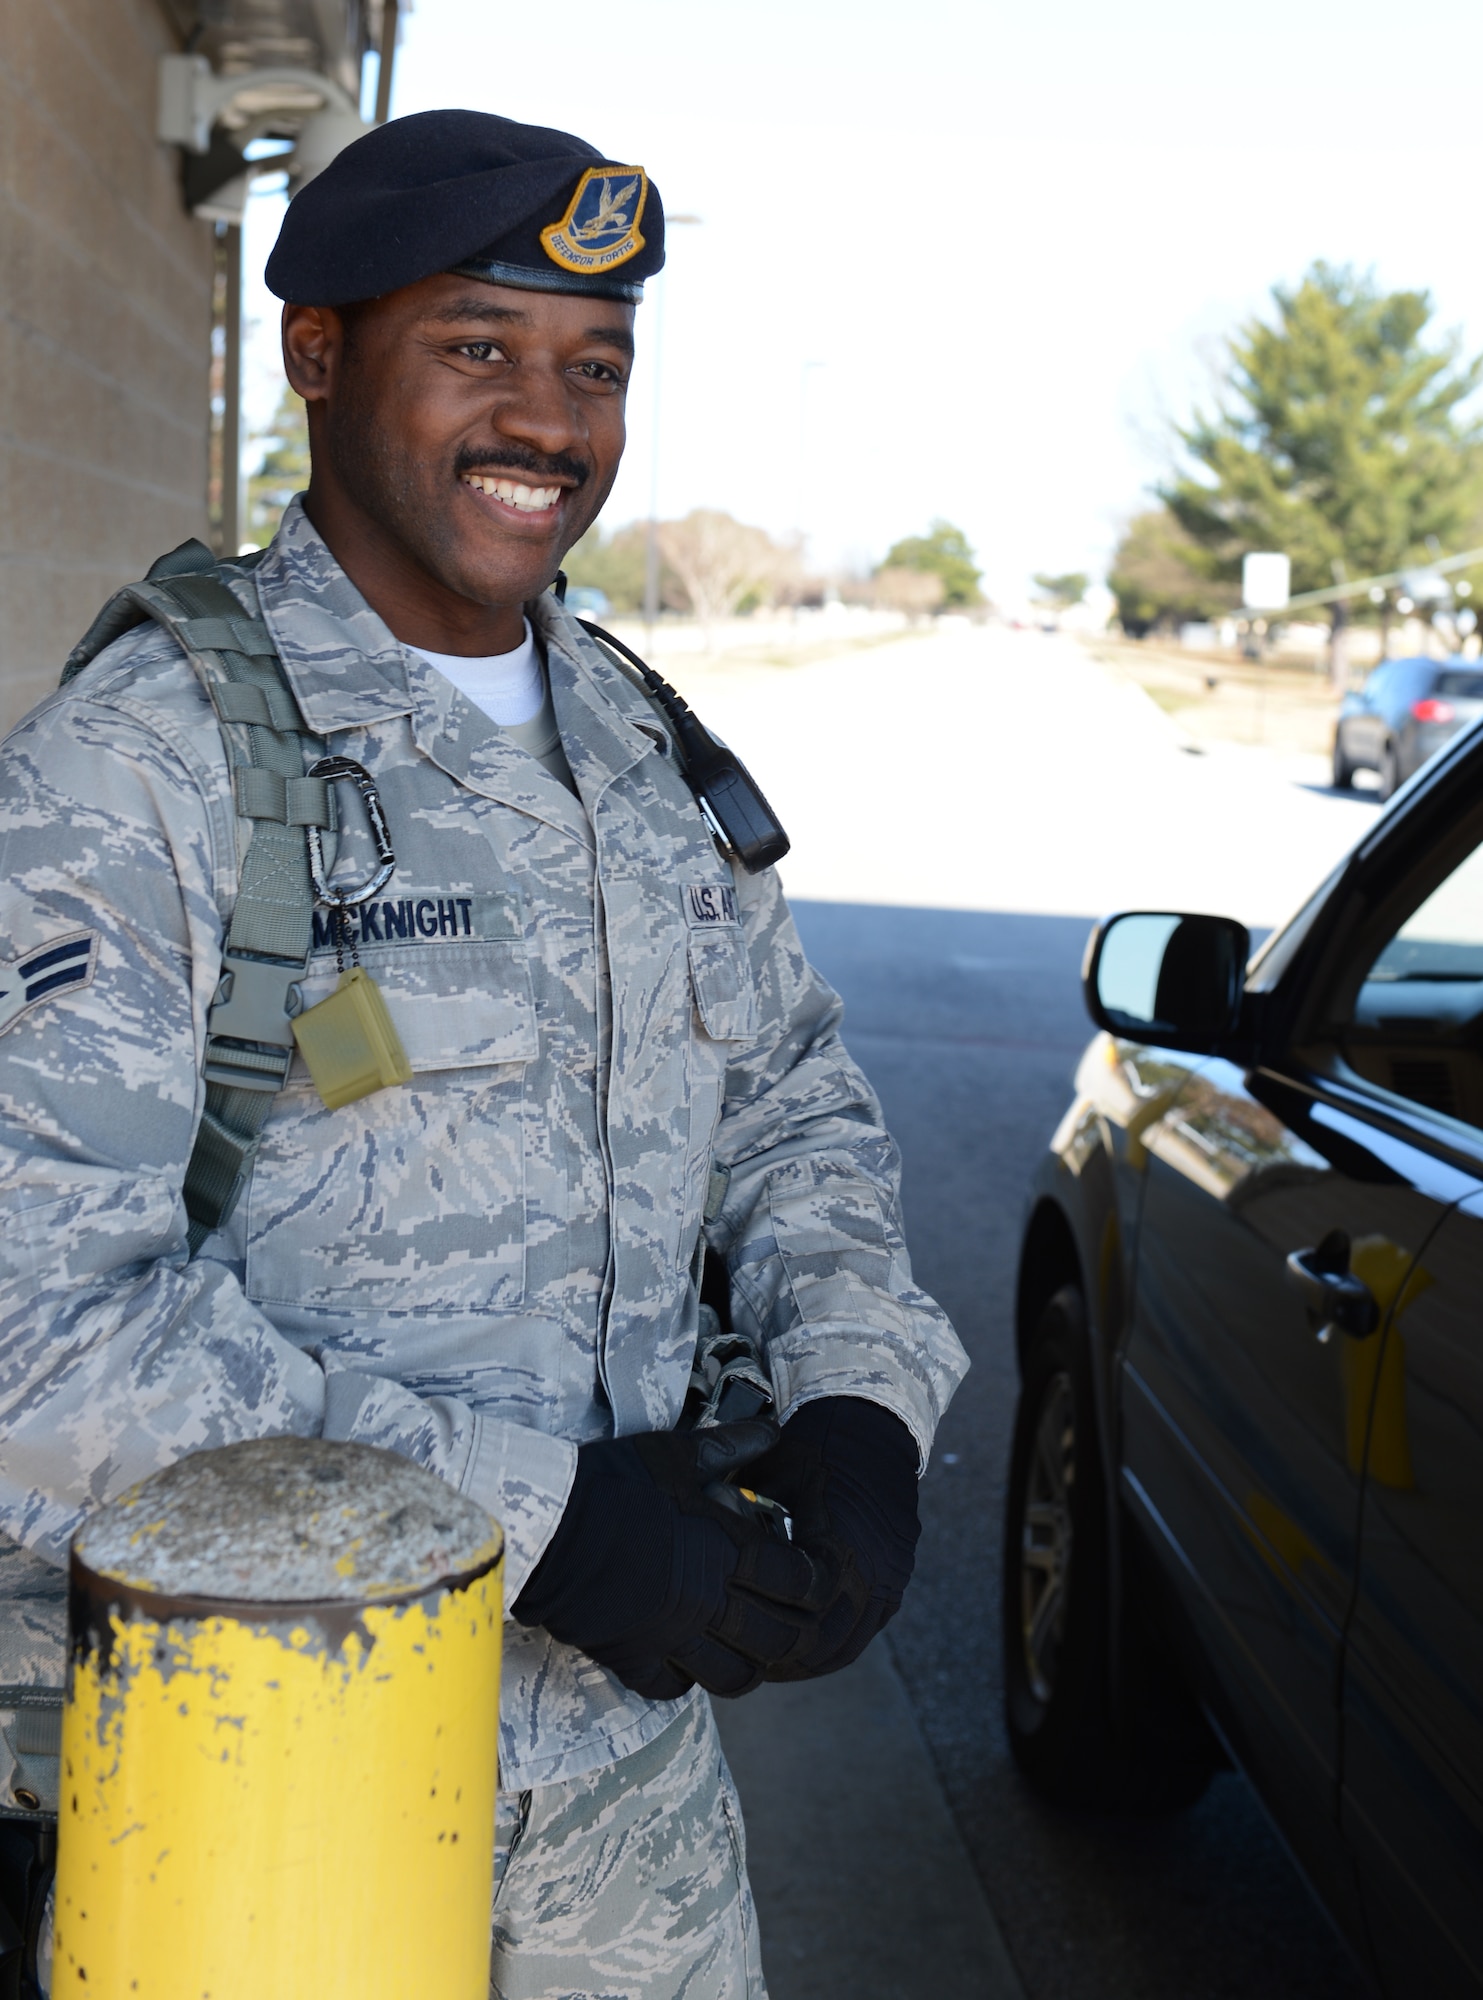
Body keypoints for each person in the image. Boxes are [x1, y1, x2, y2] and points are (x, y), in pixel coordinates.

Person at [0, 111, 967, 1999]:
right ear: (317, 357)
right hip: (261, 1770)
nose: (551, 420)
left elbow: (787, 1105)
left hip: (626, 1793)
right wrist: (551, 1527)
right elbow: (35, 1328)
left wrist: (860, 1404)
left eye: (595, 366)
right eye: (479, 349)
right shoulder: (148, 763)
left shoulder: (634, 737)